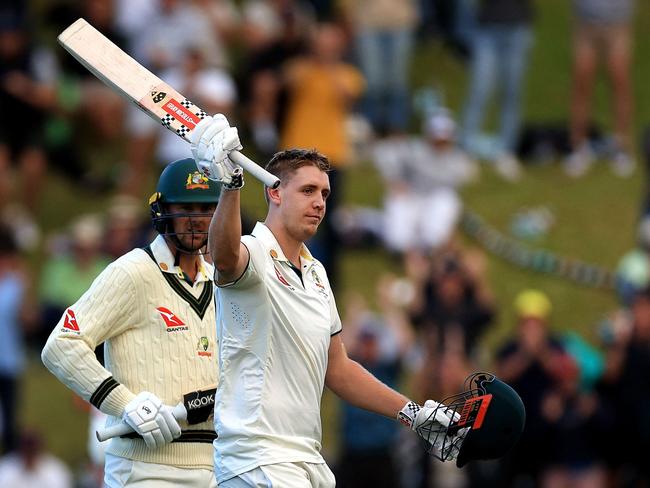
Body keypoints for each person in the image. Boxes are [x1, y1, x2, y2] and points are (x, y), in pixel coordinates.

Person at [190, 114, 465, 487]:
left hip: (305, 458)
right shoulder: (252, 253)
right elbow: (223, 257)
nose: (320, 202)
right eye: (307, 190)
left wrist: (414, 413)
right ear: (275, 192)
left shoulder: (317, 272)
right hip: (256, 459)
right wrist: (230, 185)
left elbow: (338, 368)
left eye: (324, 194)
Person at [41, 158, 221, 487]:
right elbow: (61, 344)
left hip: (214, 469)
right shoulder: (133, 272)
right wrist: (126, 404)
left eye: (206, 209)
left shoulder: (220, 284)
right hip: (144, 469)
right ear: (163, 211)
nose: (197, 220)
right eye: (187, 208)